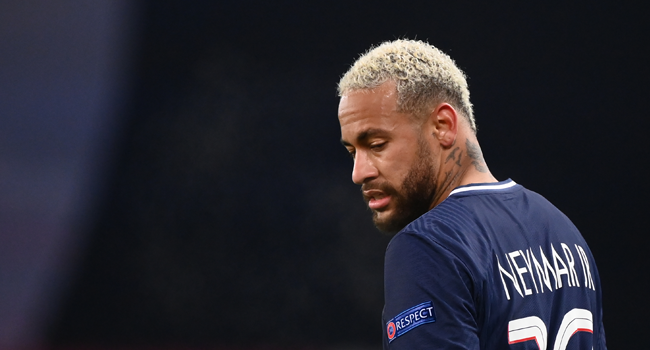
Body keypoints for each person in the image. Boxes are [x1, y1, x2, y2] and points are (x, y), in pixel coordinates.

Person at [337, 39, 606, 350]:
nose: (359, 173)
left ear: (443, 125)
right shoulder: (564, 232)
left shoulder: (429, 246)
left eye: (376, 144)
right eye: (351, 152)